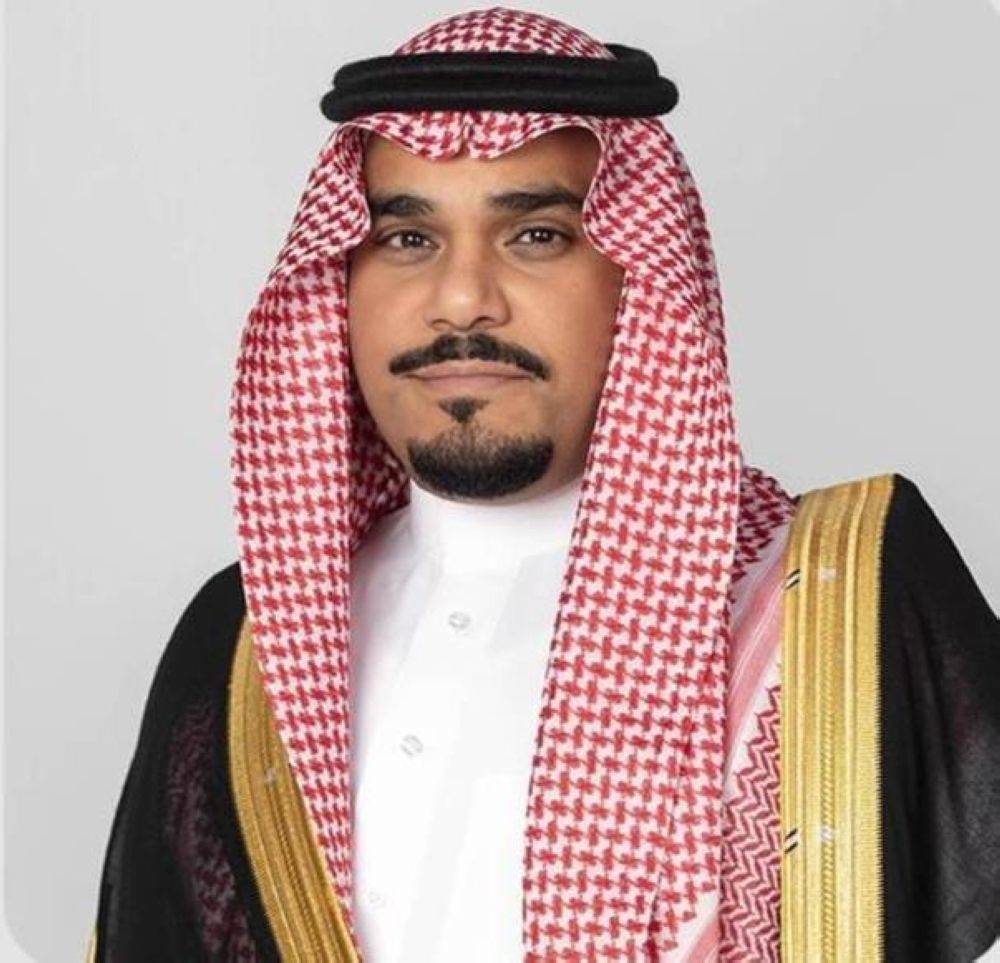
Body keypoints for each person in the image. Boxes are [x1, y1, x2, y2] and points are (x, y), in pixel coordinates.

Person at [88, 7, 1000, 962]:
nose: (462, 298)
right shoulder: (241, 644)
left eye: (534, 234)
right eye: (407, 239)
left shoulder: (842, 596)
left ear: (637, 278)